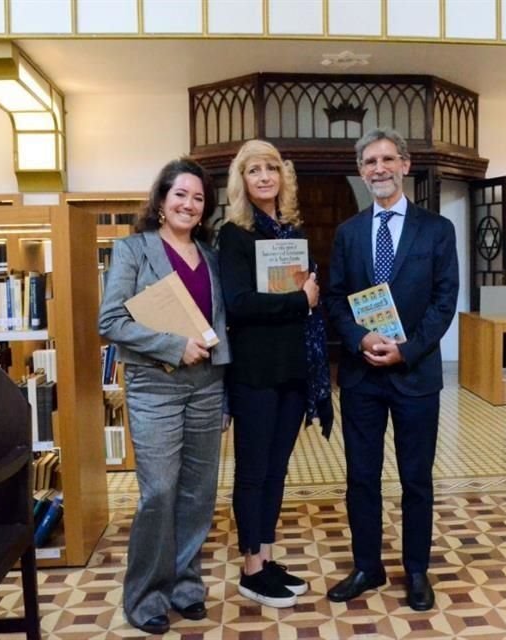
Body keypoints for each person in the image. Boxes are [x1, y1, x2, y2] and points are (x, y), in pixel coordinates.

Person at [325, 127, 459, 611]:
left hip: (415, 375)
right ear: (361, 172)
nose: (378, 168)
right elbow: (335, 299)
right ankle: (367, 566)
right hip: (361, 375)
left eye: (387, 159)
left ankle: (417, 570)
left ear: (405, 164)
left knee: (415, 478)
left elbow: (444, 300)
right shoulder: (348, 232)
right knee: (361, 477)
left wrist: (408, 349)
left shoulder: (437, 230)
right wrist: (360, 338)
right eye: (369, 162)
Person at [98, 156, 230, 635]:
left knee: (199, 493)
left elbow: (220, 324)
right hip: (155, 386)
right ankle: (146, 596)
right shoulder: (133, 250)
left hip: (208, 386)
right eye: (180, 195)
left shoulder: (210, 256)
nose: (189, 204)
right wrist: (175, 345)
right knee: (158, 493)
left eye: (198, 198)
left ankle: (185, 586)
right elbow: (111, 321)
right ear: (161, 200)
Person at [218, 139, 333, 609]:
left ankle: (265, 557)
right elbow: (238, 303)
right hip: (255, 372)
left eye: (271, 168)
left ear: (283, 177)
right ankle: (250, 570)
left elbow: (305, 299)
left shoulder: (290, 233)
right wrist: (299, 300)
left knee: (277, 469)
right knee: (253, 471)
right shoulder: (234, 235)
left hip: (294, 369)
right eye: (253, 170)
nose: (264, 176)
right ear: (241, 181)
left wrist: (308, 297)